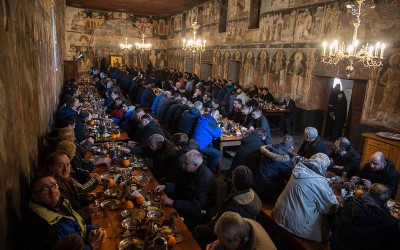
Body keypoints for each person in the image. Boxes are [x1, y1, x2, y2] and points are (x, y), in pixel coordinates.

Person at [22, 173, 106, 250]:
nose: (52, 191)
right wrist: (90, 246)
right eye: (45, 189)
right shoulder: (40, 226)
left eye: (54, 185)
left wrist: (94, 231)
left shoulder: (60, 204)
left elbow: (78, 226)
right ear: (34, 196)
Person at [272, 153, 338, 242]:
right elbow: (330, 209)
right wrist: (333, 195)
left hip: (279, 214)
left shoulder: (298, 169)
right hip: (296, 226)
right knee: (331, 231)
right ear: (323, 167)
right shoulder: (318, 182)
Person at [195, 166, 262, 248]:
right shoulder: (255, 197)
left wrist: (199, 228)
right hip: (240, 235)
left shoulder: (233, 205)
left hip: (227, 238)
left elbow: (218, 229)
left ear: (234, 182)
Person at [154, 150, 219, 231]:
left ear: (195, 165)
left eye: (186, 163)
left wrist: (172, 202)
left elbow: (196, 207)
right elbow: (183, 185)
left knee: (174, 222)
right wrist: (165, 186)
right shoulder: (193, 170)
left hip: (204, 211)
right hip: (192, 198)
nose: (183, 165)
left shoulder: (204, 180)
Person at [331, 183, 400, 250]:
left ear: (368, 192)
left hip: (337, 244)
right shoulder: (389, 222)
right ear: (386, 201)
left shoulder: (350, 203)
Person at [253, 135, 295, 204]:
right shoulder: (284, 159)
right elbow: (291, 177)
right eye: (292, 147)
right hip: (267, 193)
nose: (293, 148)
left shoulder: (270, 149)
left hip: (257, 186)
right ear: (290, 148)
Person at [206, 211, 276, 250]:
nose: (220, 242)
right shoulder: (239, 223)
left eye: (222, 241)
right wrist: (215, 245)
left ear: (236, 239)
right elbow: (224, 236)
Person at [192, 109, 222, 173]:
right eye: (216, 115)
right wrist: (218, 126)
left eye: (218, 115)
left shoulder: (204, 117)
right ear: (211, 114)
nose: (218, 116)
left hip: (195, 142)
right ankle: (209, 171)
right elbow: (218, 134)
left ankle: (208, 164)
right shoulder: (211, 121)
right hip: (201, 146)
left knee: (212, 145)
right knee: (218, 154)